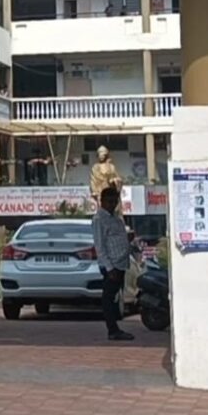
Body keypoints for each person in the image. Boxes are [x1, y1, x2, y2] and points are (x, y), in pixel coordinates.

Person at [92, 185, 135, 342]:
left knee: (116, 298)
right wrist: (109, 268)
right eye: (109, 201)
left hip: (121, 262)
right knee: (108, 298)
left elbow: (116, 237)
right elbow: (100, 246)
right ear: (102, 201)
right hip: (112, 264)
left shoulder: (116, 218)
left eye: (114, 201)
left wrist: (127, 239)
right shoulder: (99, 219)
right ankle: (112, 330)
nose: (112, 204)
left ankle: (115, 328)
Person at [90, 145, 124, 220]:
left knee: (115, 211)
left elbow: (118, 178)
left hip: (110, 191)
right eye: (100, 155)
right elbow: (93, 181)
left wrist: (114, 180)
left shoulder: (111, 167)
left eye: (103, 155)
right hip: (100, 192)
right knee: (102, 212)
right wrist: (94, 191)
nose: (101, 156)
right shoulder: (95, 167)